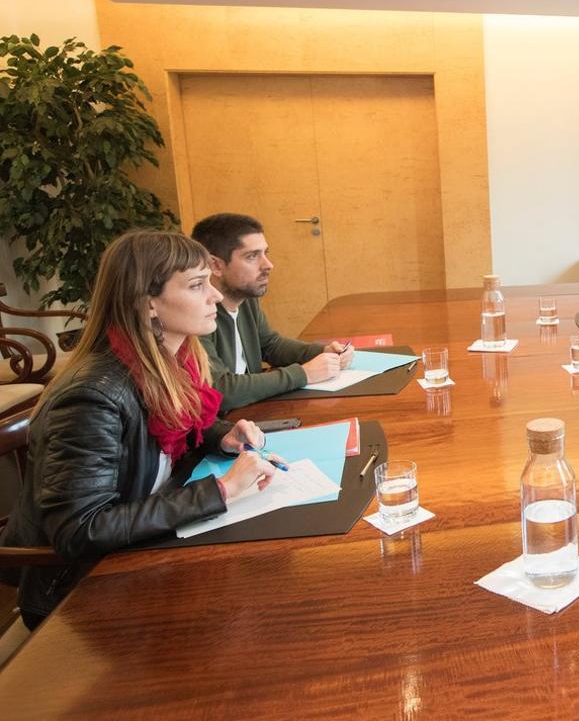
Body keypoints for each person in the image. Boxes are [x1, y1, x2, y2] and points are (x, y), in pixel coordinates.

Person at [0, 231, 284, 629]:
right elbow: (81, 530)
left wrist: (220, 434)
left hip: (139, 549)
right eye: (198, 285)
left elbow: (164, 433)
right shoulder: (91, 397)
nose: (216, 297)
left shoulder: (171, 359)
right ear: (148, 303)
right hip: (80, 593)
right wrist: (221, 490)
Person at [191, 213, 352, 410]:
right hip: (225, 428)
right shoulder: (196, 315)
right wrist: (304, 374)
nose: (268, 265)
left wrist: (322, 352)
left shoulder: (246, 300)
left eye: (266, 253)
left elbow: (270, 345)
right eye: (252, 256)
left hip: (250, 413)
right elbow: (219, 390)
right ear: (215, 265)